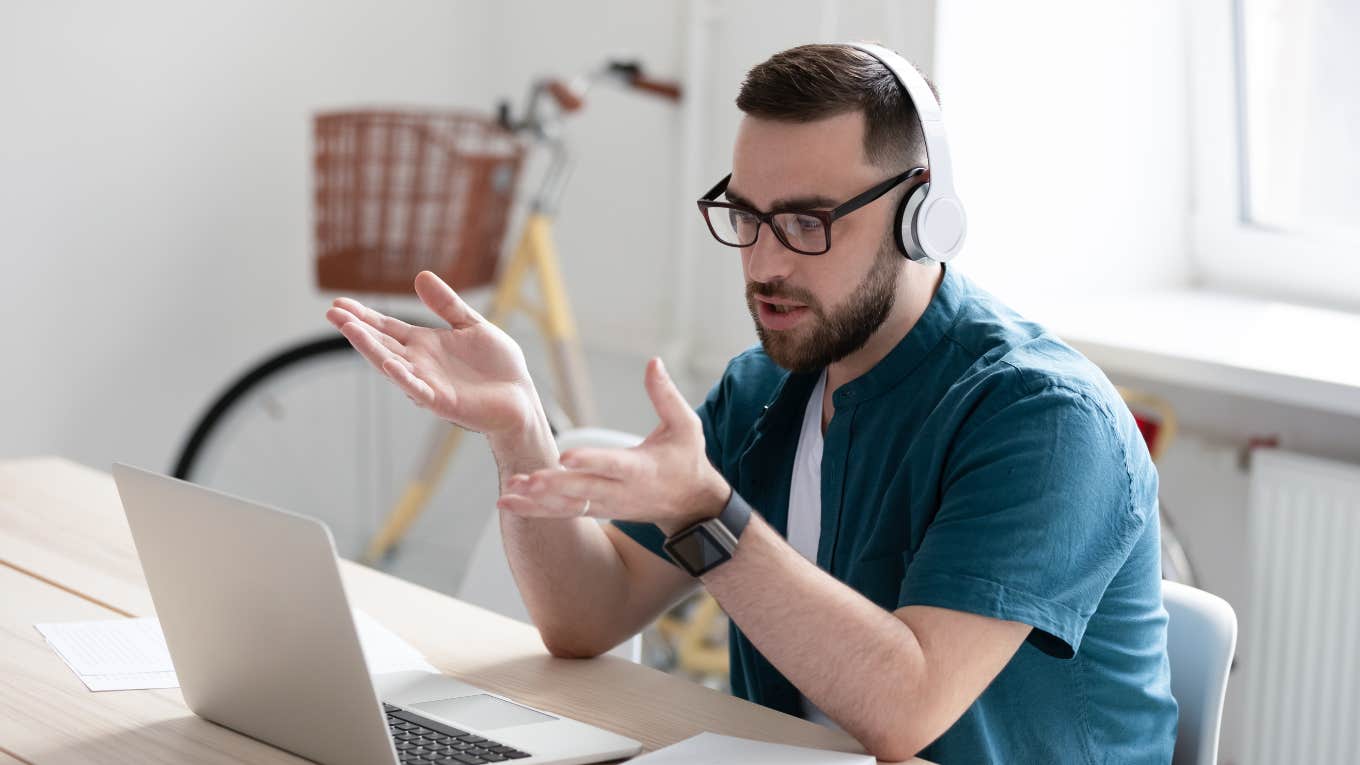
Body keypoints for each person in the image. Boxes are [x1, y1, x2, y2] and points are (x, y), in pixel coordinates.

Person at [326, 43, 1177, 763]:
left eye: (807, 222)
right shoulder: (768, 385)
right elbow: (587, 616)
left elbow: (904, 708)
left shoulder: (1044, 420)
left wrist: (708, 511)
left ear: (923, 214)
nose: (765, 262)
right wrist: (518, 428)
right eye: (747, 214)